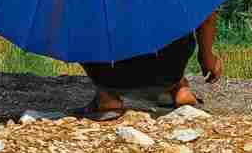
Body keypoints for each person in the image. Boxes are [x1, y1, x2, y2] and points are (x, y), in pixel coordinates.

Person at [82, 11, 223, 122]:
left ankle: (107, 97)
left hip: (111, 74)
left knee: (83, 14)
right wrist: (206, 57)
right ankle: (179, 88)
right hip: (169, 70)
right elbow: (207, 15)